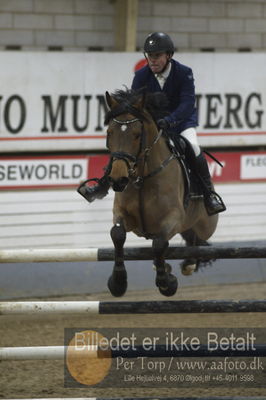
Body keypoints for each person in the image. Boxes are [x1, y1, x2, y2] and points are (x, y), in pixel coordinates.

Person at [131, 32, 226, 216]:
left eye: (157, 56)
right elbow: (136, 103)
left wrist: (171, 120)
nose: (152, 60)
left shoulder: (184, 73)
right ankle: (106, 183)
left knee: (194, 148)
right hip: (154, 125)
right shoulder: (141, 75)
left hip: (181, 123)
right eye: (149, 56)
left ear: (169, 55)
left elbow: (187, 104)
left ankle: (209, 195)